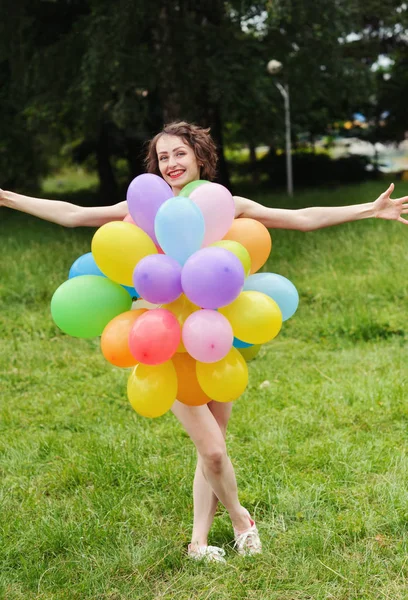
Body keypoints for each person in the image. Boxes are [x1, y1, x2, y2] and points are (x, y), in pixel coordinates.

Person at [1, 121, 407, 564]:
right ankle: (240, 520)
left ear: (199, 157)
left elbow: (301, 219)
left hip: (216, 339)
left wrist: (368, 209)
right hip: (165, 344)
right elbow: (72, 214)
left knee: (211, 448)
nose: (171, 163)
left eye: (179, 154)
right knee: (213, 450)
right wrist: (6, 196)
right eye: (162, 157)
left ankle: (198, 542)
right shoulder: (142, 210)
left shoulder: (225, 204)